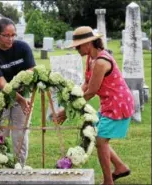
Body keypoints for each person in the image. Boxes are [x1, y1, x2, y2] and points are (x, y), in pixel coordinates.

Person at [56, 26, 134, 185]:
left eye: (78, 46)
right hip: (108, 102)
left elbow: (91, 92)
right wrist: (72, 99)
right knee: (97, 135)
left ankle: (108, 182)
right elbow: (86, 83)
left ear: (88, 44)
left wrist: (67, 110)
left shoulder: (101, 61)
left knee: (100, 140)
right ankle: (120, 167)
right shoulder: (90, 59)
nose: (76, 49)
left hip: (118, 103)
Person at [0, 18, 36, 166]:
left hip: (22, 96)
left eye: (13, 35)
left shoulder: (23, 48)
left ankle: (19, 168)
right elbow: (2, 84)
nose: (10, 38)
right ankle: (1, 165)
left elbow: (31, 71)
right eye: (6, 35)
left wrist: (21, 97)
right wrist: (18, 98)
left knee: (20, 133)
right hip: (1, 97)